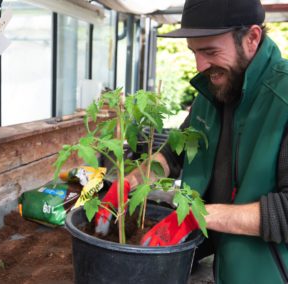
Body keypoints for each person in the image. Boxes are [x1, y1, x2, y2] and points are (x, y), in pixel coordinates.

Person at [96, 0, 288, 283]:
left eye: (210, 51)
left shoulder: (282, 99)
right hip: (220, 266)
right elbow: (176, 152)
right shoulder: (214, 90)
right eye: (194, 52)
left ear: (252, 38)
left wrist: (195, 215)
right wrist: (133, 180)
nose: (200, 66)